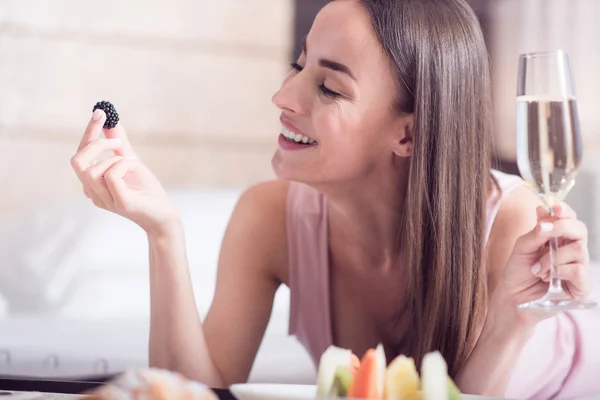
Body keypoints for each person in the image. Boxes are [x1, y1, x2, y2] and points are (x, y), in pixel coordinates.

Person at [70, 0, 600, 398]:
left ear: (409, 135)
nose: (283, 96)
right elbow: (194, 391)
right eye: (300, 66)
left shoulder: (512, 224)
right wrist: (162, 231)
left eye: (329, 88)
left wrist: (512, 321)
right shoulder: (269, 217)